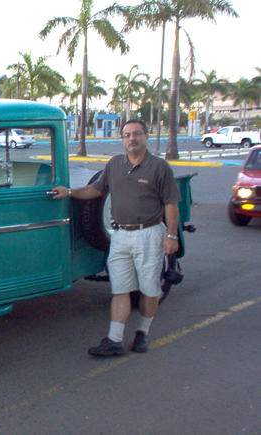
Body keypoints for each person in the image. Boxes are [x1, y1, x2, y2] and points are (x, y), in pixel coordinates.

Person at [52, 119, 182, 356]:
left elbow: (171, 203)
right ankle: (114, 340)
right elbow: (96, 190)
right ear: (122, 139)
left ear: (146, 137)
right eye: (127, 135)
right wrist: (69, 192)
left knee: (150, 290)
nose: (131, 138)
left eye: (137, 134)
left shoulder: (159, 167)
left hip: (149, 233)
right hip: (121, 235)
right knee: (120, 288)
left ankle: (142, 333)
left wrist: (172, 235)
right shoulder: (114, 165)